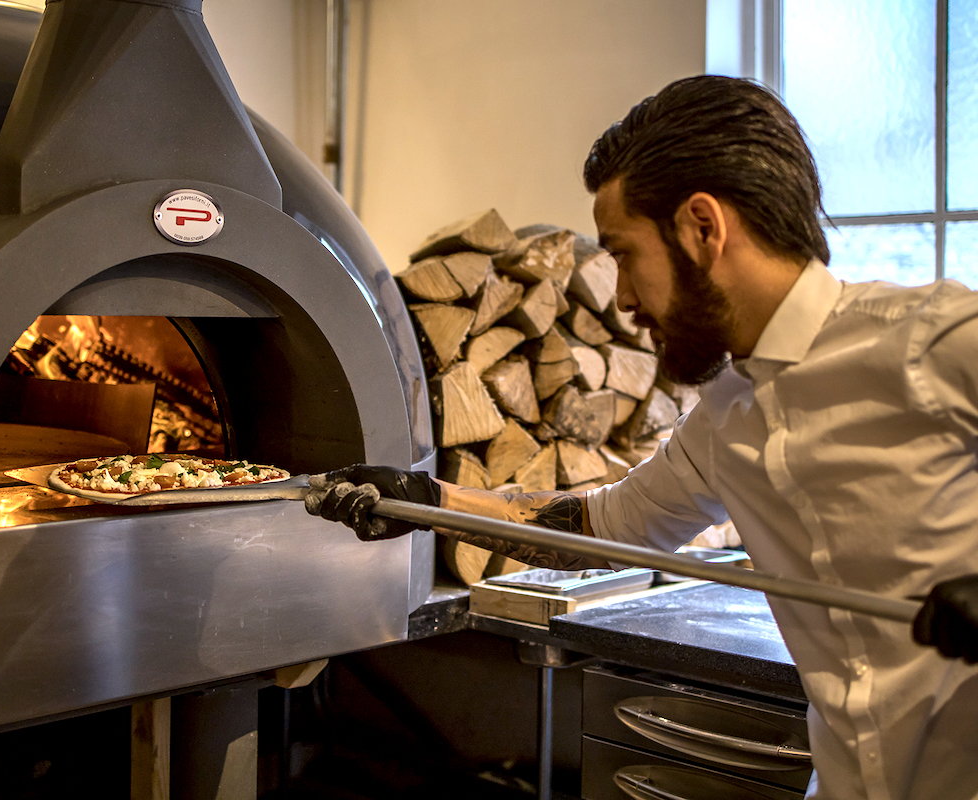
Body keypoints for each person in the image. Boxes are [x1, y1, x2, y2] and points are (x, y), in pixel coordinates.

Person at [305, 75, 978, 800]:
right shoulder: (725, 415)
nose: (621, 299)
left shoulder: (931, 342)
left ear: (702, 227)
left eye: (624, 254)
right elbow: (598, 528)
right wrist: (425, 498)